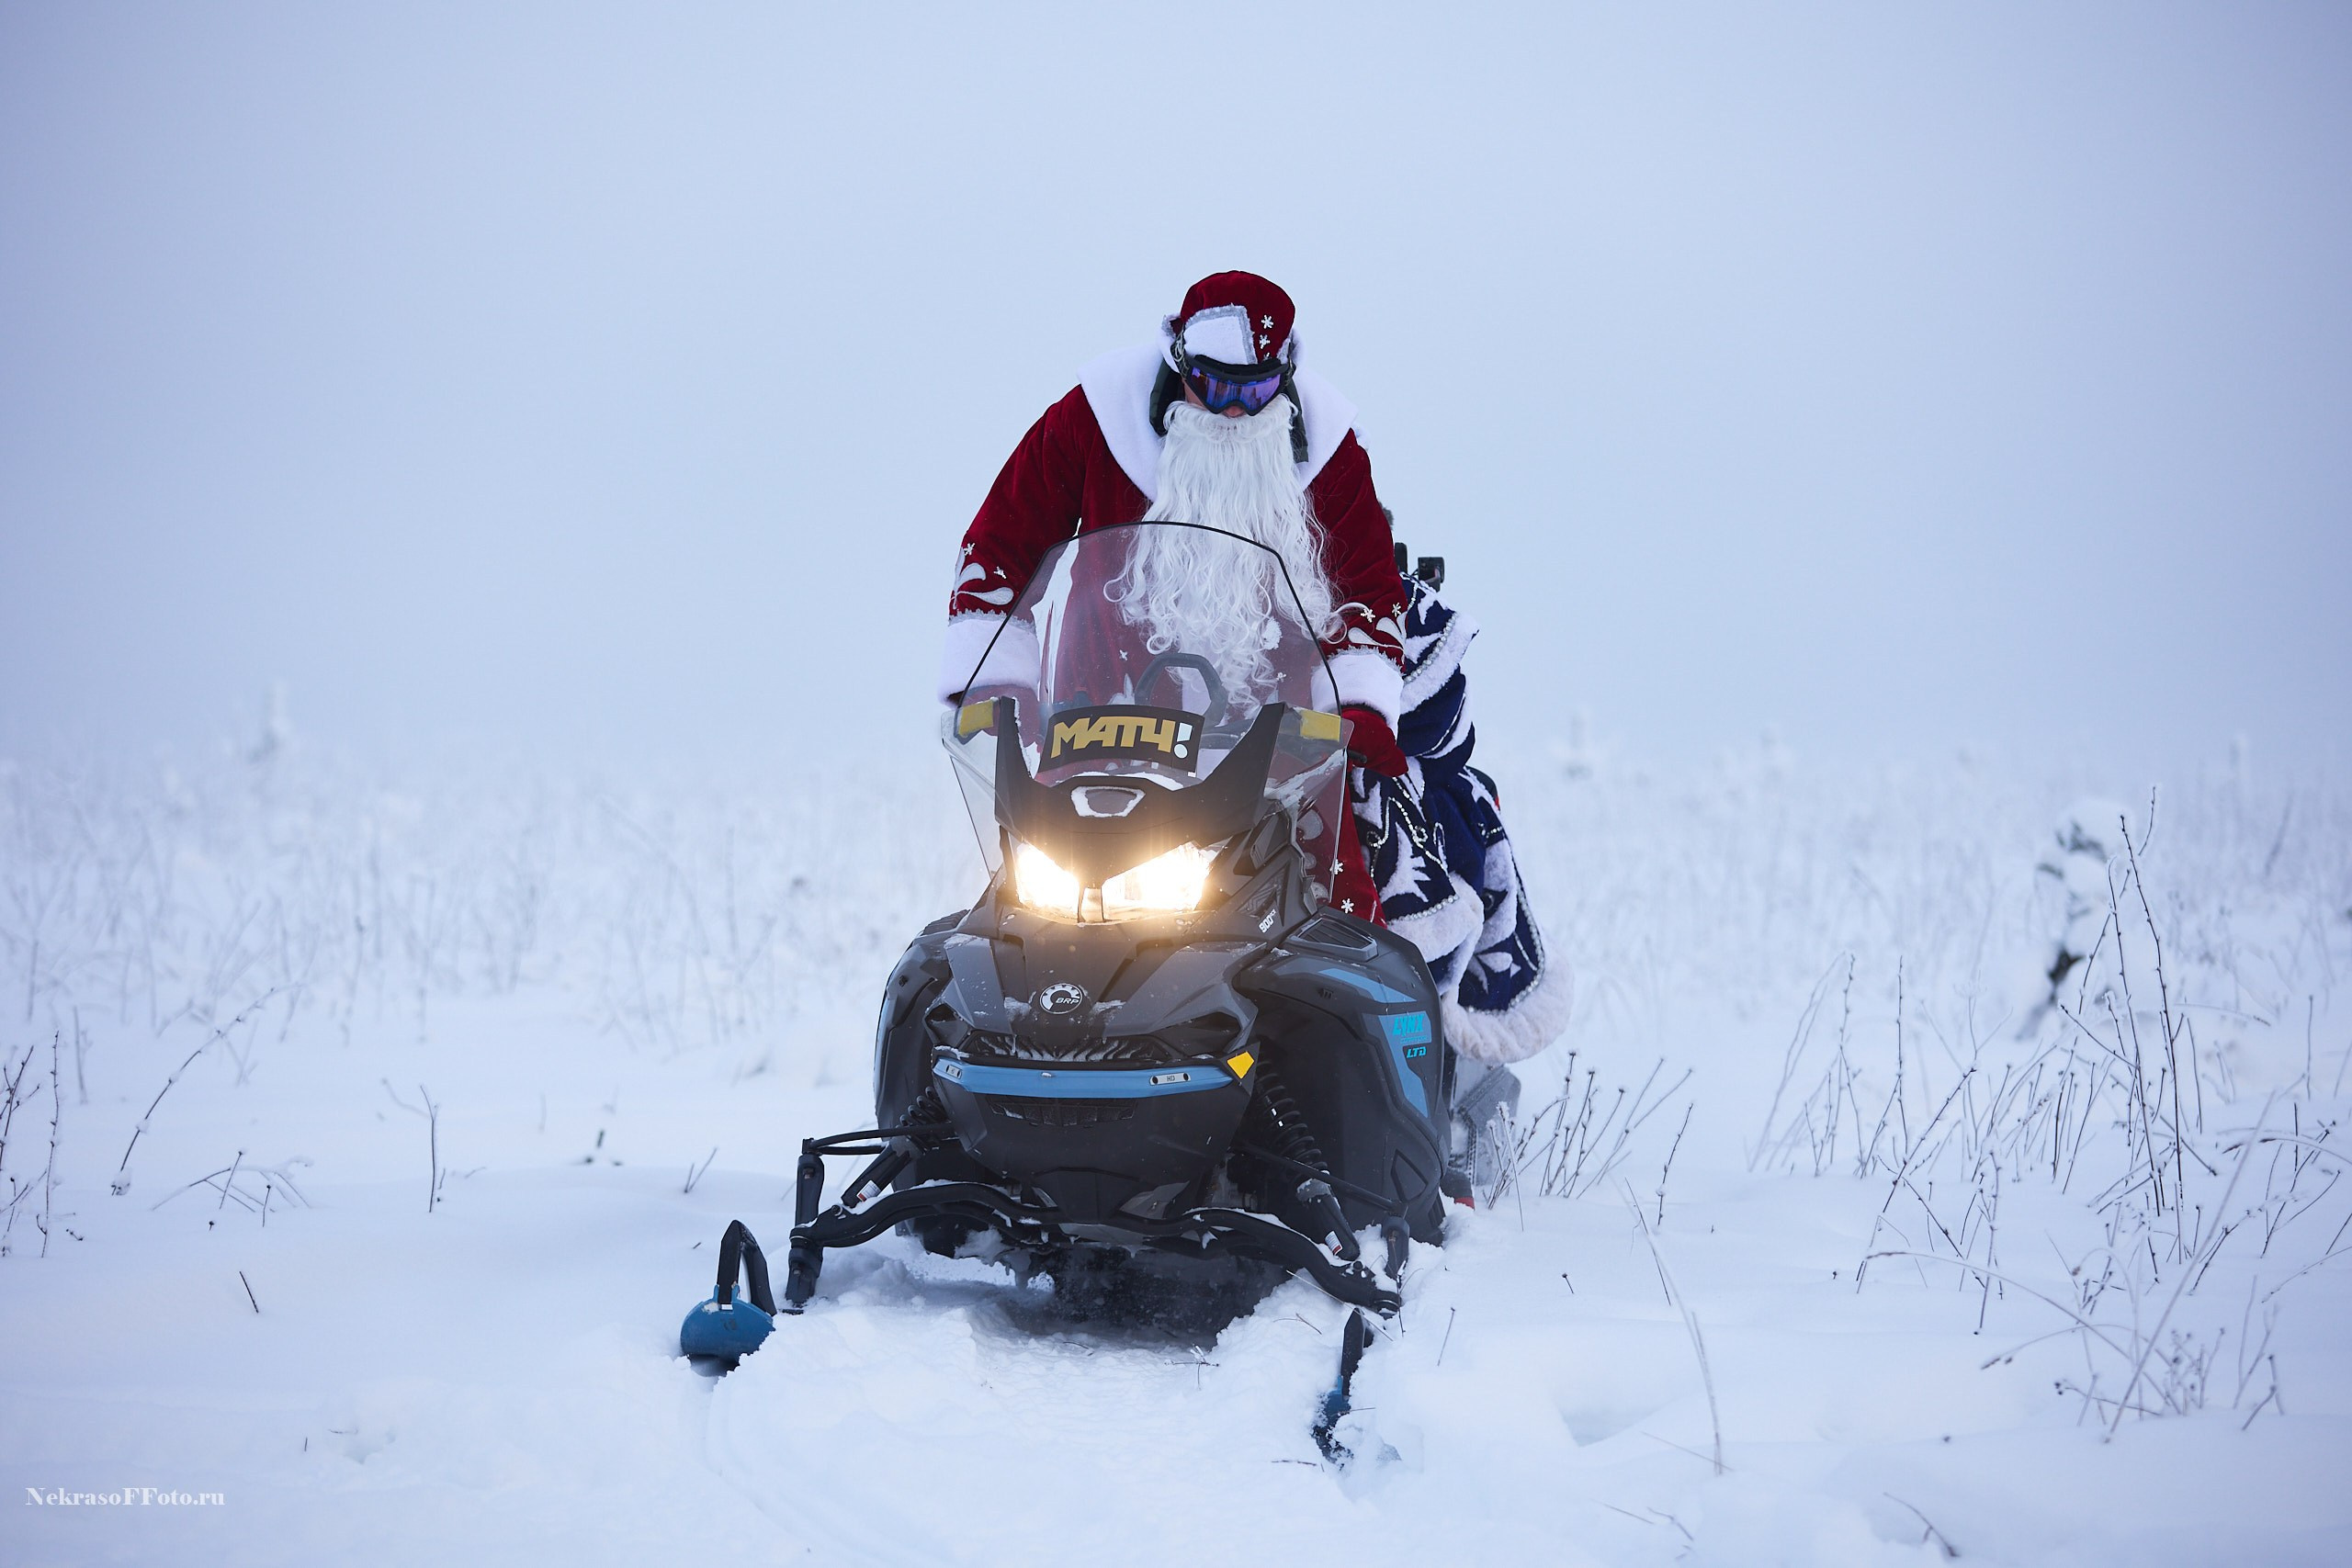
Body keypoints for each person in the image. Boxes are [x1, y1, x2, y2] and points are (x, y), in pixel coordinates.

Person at [940, 271, 1566, 1075]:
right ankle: (1001, 1071)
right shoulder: (1097, 416)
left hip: (1280, 736)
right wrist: (994, 683)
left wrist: (1354, 710)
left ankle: (1392, 1087)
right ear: (1179, 367)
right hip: (1102, 719)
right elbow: (1001, 541)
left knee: (1342, 909)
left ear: (1286, 379)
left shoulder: (1328, 445)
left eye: (1257, 390)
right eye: (1214, 387)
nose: (1234, 411)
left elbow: (1369, 584)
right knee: (1035, 904)